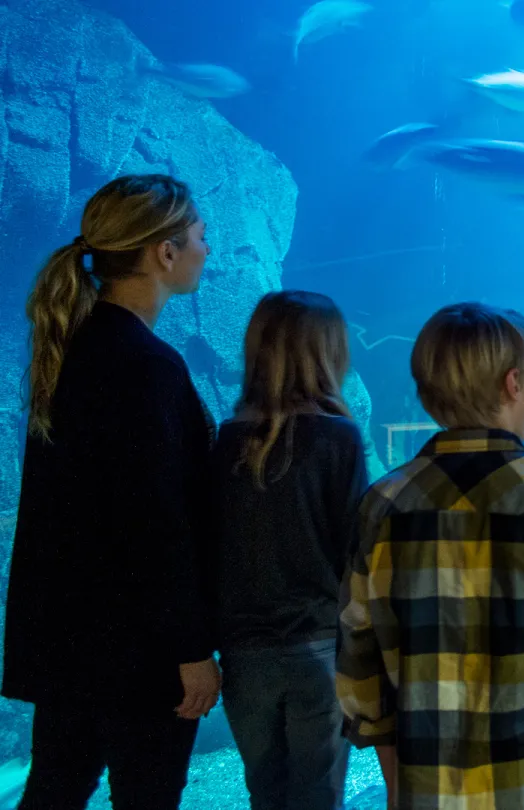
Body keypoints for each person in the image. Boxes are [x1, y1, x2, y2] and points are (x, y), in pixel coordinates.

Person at [335, 302, 524, 810]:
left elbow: (361, 667)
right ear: (513, 383)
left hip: (428, 792)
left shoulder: (382, 504)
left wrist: (398, 788)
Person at [2, 175, 220, 808]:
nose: (209, 249)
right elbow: (155, 521)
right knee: (146, 795)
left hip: (70, 639)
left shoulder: (73, 350)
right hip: (137, 649)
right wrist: (190, 650)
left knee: (56, 787)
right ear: (165, 251)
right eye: (201, 236)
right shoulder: (145, 365)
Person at [210, 291, 369, 810]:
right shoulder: (339, 437)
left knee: (266, 794)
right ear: (327, 353)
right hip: (319, 649)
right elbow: (358, 553)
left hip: (243, 656)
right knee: (318, 797)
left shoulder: (224, 440)